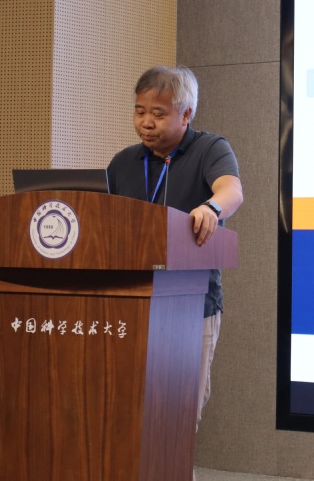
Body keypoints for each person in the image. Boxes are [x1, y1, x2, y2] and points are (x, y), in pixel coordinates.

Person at [107, 65, 243, 434]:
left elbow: (231, 191)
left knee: (179, 419)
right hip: (131, 304)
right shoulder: (123, 162)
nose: (146, 123)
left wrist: (211, 207)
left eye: (158, 113)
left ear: (186, 114)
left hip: (192, 304)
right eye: (139, 111)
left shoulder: (210, 149)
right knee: (132, 415)